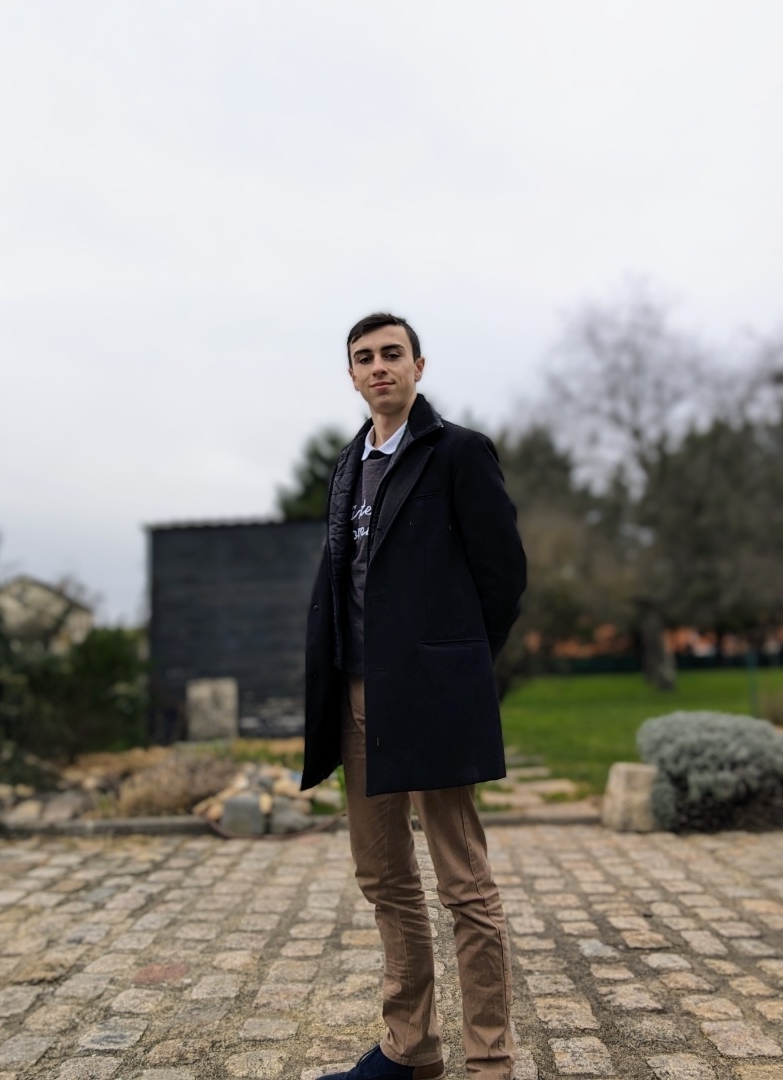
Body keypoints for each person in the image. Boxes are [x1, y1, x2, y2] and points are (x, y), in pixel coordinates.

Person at [302, 313, 527, 1080]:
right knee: (384, 879)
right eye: (364, 358)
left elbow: (502, 577)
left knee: (463, 884)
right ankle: (410, 1050)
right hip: (354, 695)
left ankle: (489, 1059)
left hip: (429, 697)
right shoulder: (346, 466)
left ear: (418, 366)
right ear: (352, 376)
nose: (379, 367)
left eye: (391, 354)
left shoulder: (457, 452)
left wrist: (453, 666)